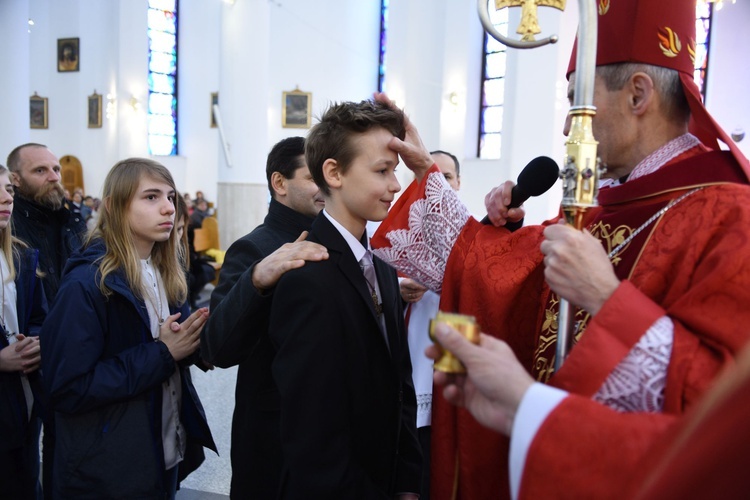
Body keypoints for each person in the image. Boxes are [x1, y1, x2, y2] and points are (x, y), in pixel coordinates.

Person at [370, 0, 750, 497]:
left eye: (579, 103)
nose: (571, 128)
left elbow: (723, 422)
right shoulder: (604, 209)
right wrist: (430, 178)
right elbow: (497, 277)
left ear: (638, 94)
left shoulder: (730, 218)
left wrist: (608, 300)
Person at [267, 100, 422, 498]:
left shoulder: (383, 262)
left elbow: (399, 383)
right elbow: (312, 429)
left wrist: (406, 483)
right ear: (333, 173)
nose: (396, 184)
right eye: (382, 171)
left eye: (396, 171)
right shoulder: (307, 276)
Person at [40, 158, 216, 498]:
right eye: (151, 197)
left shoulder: (166, 273)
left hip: (161, 450)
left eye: (170, 197)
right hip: (108, 466)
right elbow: (67, 387)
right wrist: (163, 353)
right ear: (114, 206)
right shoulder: (86, 285)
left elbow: (176, 343)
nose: (167, 208)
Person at [202, 136, 328, 498]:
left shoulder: (333, 240)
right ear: (279, 183)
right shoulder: (253, 247)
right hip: (275, 434)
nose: (325, 186)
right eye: (312, 177)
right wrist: (256, 280)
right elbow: (218, 347)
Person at [6, 143, 87, 497]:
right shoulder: (12, 225)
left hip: (67, 349)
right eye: (41, 171)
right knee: (20, 453)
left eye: (55, 169)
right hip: (28, 356)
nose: (54, 177)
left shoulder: (71, 217)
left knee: (61, 448)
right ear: (16, 180)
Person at [399, 149, 461, 500]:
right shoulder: (400, 229)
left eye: (447, 176)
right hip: (411, 366)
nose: (440, 182)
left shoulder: (476, 234)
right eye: (429, 175)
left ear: (457, 182)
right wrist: (400, 288)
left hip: (452, 363)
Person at [0, 164, 47, 500]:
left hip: (23, 401)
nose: (6, 198)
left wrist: (36, 342)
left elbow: (38, 316)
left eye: (9, 190)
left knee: (24, 482)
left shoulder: (20, 255)